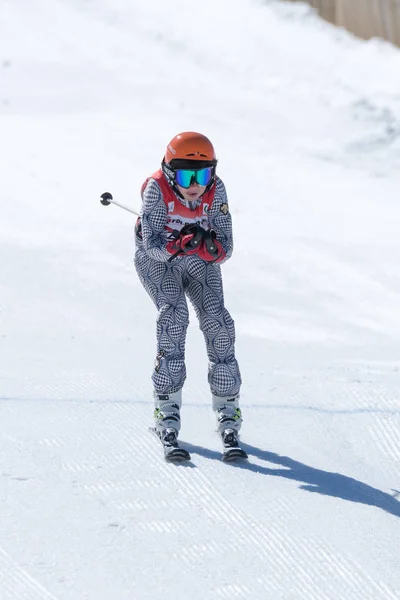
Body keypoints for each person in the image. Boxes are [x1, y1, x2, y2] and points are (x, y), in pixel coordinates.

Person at [134, 131, 243, 450]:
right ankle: (166, 407)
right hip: (160, 263)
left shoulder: (216, 189)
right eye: (186, 174)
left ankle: (227, 408)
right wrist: (177, 244)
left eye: (203, 173)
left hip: (197, 261)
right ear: (170, 172)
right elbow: (148, 244)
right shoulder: (157, 188)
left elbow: (227, 246)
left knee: (218, 322)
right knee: (174, 317)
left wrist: (211, 249)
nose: (195, 183)